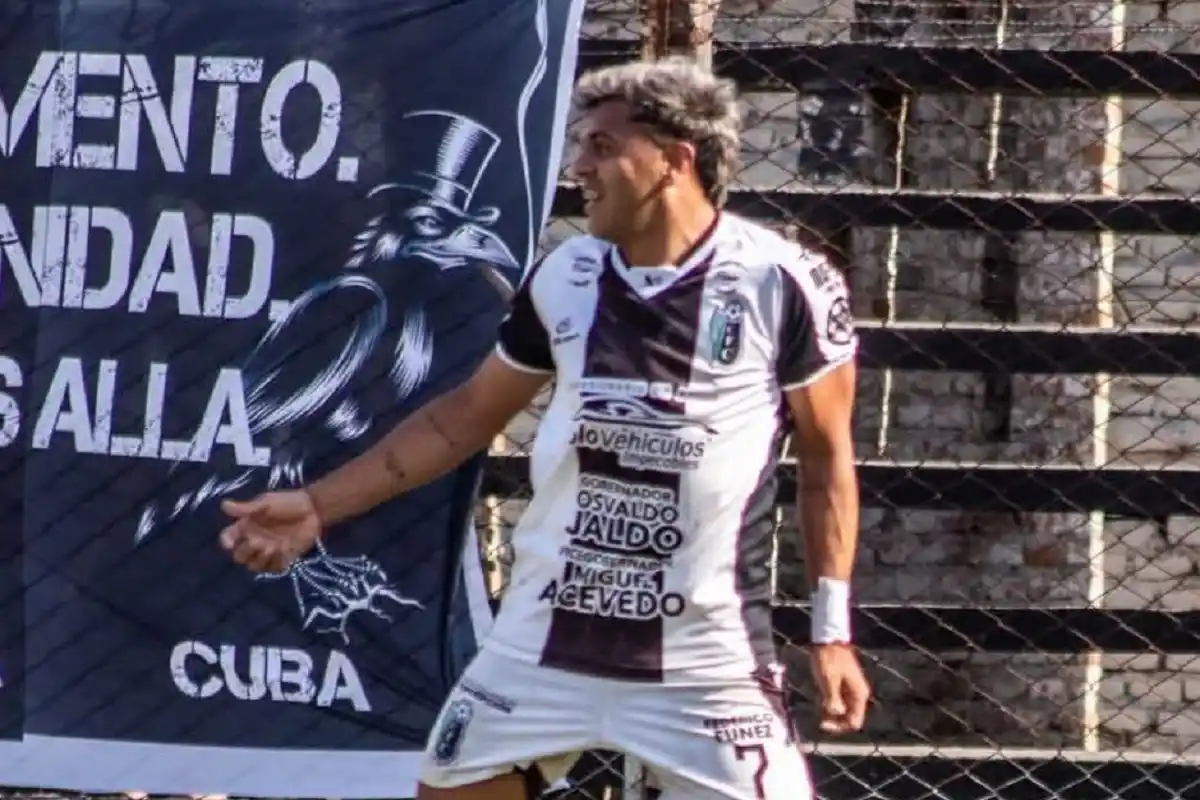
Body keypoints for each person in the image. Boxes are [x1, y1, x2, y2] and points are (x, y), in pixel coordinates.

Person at [218, 56, 870, 800]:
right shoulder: (566, 276)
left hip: (703, 662)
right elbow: (464, 417)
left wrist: (831, 631)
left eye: (601, 146)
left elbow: (827, 460)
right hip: (542, 645)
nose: (580, 167)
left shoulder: (783, 282)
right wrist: (316, 506)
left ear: (674, 161)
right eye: (580, 145)